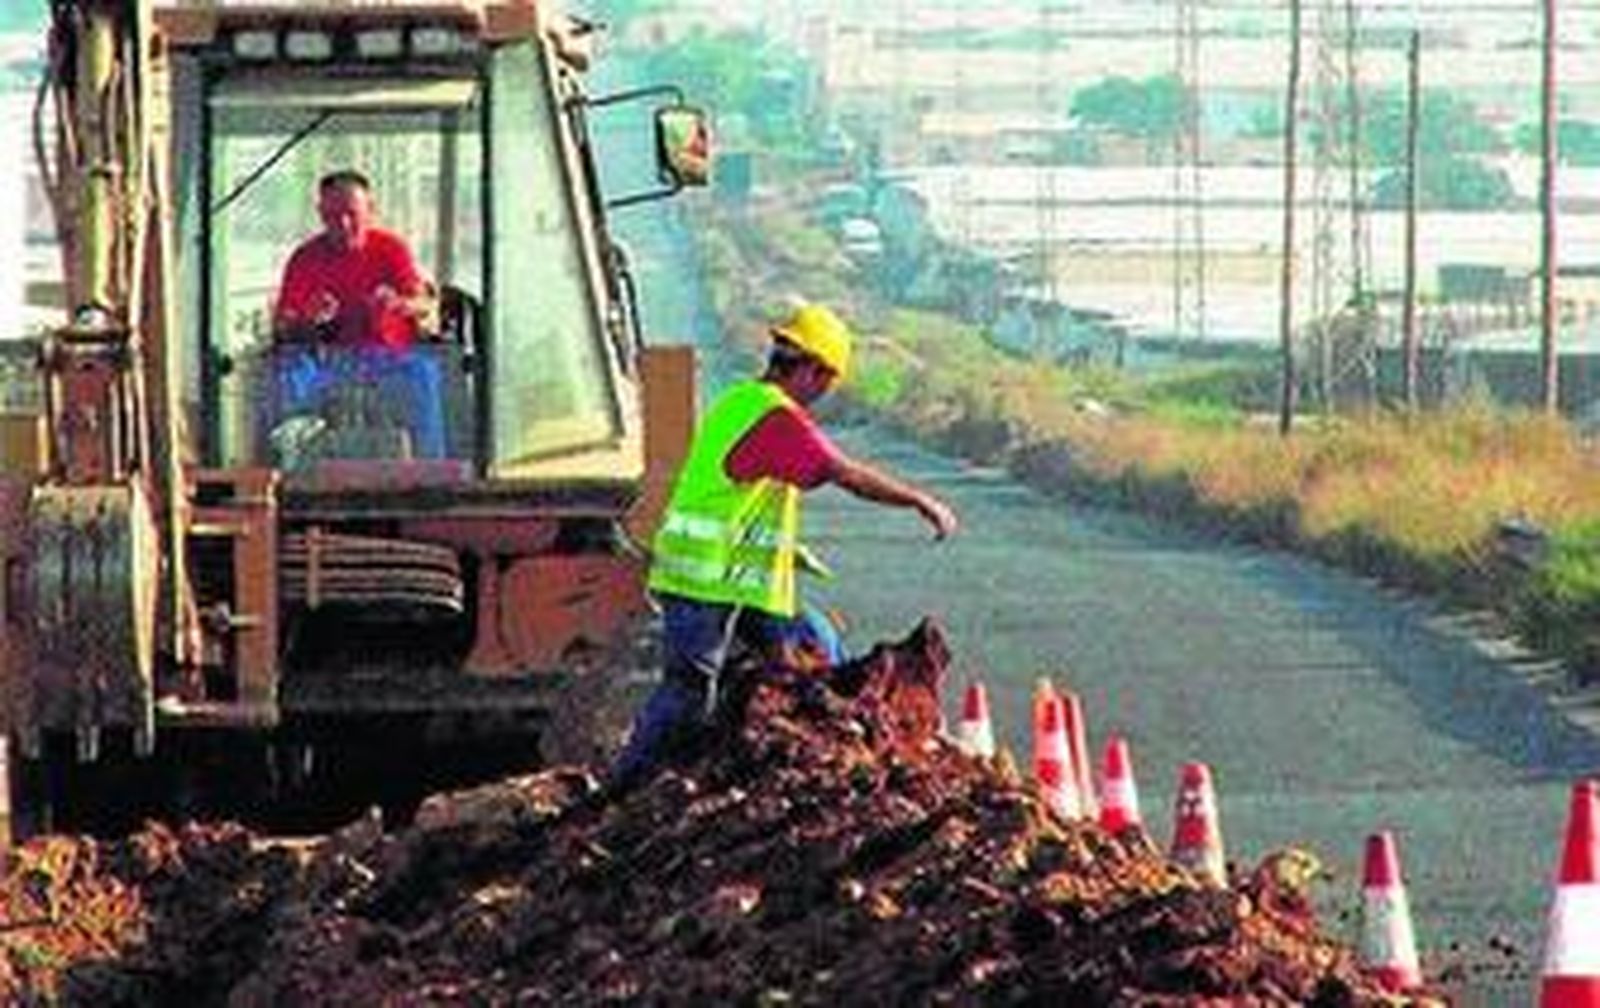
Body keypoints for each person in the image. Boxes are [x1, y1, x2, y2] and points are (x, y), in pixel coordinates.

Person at [611, 302, 959, 788]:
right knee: (689, 689)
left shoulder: (741, 400)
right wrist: (919, 500)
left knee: (803, 653)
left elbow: (738, 489)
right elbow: (844, 473)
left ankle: (819, 760)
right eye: (828, 380)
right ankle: (626, 787)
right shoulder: (778, 419)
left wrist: (783, 550)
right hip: (704, 578)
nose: (826, 392)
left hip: (733, 576)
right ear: (814, 370)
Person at [271, 169, 447, 459]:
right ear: (320, 213)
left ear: (370, 210)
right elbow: (282, 326)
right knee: (289, 377)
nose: (343, 224)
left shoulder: (391, 249)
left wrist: (397, 304)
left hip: (386, 358)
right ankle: (290, 471)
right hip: (327, 362)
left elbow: (424, 305)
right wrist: (308, 318)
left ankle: (433, 471)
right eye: (332, 216)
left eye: (352, 214)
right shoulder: (304, 258)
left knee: (424, 375)